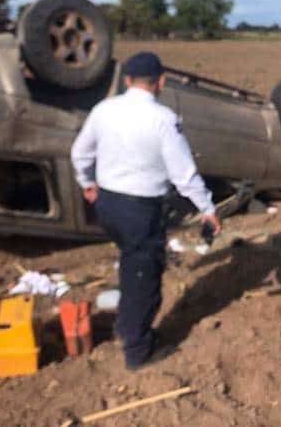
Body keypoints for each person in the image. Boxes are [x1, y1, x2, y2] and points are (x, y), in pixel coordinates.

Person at [71, 51, 221, 370]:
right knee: (145, 276)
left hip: (107, 204)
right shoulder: (164, 119)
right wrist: (208, 209)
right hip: (139, 209)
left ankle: (125, 326)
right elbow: (184, 175)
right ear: (161, 82)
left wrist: (87, 184)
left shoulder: (103, 110)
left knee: (130, 260)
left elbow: (80, 153)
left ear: (127, 81)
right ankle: (138, 351)